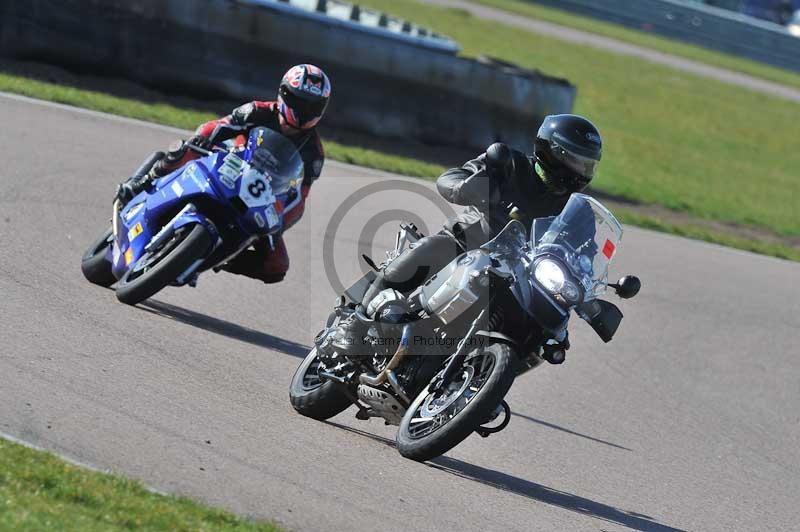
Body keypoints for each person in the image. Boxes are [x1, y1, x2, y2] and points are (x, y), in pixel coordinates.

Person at [357, 114, 603, 363]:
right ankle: (355, 324)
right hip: (468, 245)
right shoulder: (510, 164)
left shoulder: (579, 211)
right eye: (576, 161)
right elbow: (451, 178)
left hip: (520, 279)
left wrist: (590, 294)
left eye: (588, 165)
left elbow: (586, 255)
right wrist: (469, 187)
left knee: (543, 334)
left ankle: (478, 381)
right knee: (433, 249)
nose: (581, 171)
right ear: (553, 151)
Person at [115, 64, 331, 283]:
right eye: (299, 102)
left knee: (277, 266)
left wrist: (280, 223)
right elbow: (219, 126)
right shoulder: (258, 110)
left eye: (312, 106)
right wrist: (203, 139)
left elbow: (300, 197)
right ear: (284, 94)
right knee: (185, 150)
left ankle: (213, 258)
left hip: (261, 198)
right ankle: (143, 181)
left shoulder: (314, 152)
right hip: (228, 164)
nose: (304, 111)